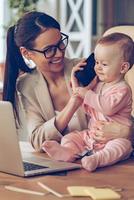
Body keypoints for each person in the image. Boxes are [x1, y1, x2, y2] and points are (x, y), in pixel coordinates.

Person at [3, 11, 132, 152]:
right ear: (27, 53)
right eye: (49, 50)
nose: (59, 53)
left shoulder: (88, 69)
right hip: (63, 164)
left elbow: (122, 111)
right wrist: (75, 100)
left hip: (103, 158)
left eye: (60, 44)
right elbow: (38, 141)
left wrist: (127, 132)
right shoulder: (26, 85)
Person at [42, 32, 134, 172]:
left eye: (104, 64)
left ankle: (97, 159)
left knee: (122, 147)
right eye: (96, 62)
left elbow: (107, 107)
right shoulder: (99, 85)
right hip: (92, 135)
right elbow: (89, 107)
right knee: (72, 137)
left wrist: (86, 93)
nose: (97, 67)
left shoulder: (123, 89)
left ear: (123, 68)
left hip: (114, 138)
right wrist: (77, 86)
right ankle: (68, 151)